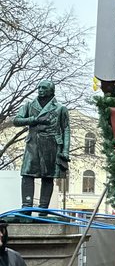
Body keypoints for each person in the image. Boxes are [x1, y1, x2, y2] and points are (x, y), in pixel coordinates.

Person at [13, 80, 70, 211]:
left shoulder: (60, 108)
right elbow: (16, 120)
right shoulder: (29, 105)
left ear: (51, 91)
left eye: (43, 88)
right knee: (27, 174)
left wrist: (66, 151)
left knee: (48, 176)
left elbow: (66, 129)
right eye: (39, 88)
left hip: (52, 146)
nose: (40, 90)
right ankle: (26, 208)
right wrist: (34, 120)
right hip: (32, 144)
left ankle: (43, 210)